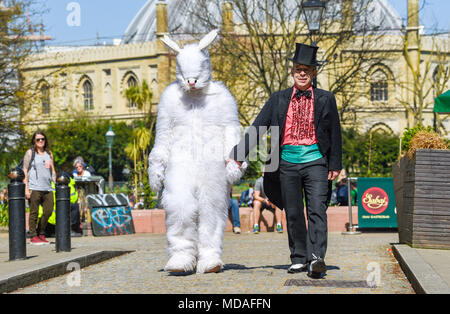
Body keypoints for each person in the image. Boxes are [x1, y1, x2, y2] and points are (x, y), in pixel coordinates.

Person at [229, 43, 343, 278]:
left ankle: (317, 258)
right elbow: (258, 126)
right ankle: (299, 258)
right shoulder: (278, 99)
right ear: (292, 71)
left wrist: (335, 164)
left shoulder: (326, 98)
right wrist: (238, 156)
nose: (302, 73)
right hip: (286, 163)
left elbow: (335, 132)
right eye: (298, 69)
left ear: (314, 73)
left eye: (307, 69)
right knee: (292, 212)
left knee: (317, 210)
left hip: (316, 161)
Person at [23, 130, 57, 245]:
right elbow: (24, 170)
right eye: (38, 139)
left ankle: (41, 232)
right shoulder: (30, 153)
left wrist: (56, 182)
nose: (41, 141)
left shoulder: (49, 153)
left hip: (48, 188)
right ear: (34, 141)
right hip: (34, 187)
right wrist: (26, 188)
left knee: (48, 211)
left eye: (42, 139)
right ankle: (33, 236)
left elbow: (52, 170)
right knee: (34, 212)